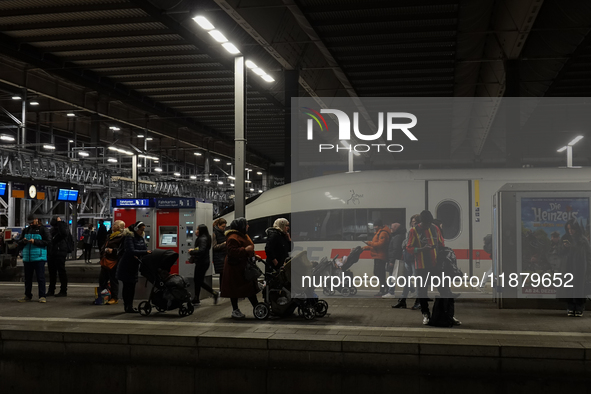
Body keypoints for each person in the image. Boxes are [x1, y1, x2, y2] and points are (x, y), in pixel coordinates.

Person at [406, 210, 445, 325]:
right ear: (421, 222)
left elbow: (441, 243)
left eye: (429, 224)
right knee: (422, 292)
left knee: (443, 289)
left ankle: (447, 314)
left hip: (435, 264)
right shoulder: (413, 231)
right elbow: (409, 248)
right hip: (421, 266)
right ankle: (425, 314)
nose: (428, 226)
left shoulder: (435, 228)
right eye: (426, 224)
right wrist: (421, 250)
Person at [220, 217, 260, 319]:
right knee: (236, 289)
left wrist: (253, 255)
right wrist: (245, 250)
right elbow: (232, 252)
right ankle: (236, 310)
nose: (248, 226)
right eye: (246, 224)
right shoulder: (233, 237)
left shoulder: (242, 235)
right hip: (235, 268)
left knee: (249, 287)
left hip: (242, 266)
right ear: (241, 226)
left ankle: (257, 307)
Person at [116, 221, 151, 313]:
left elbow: (143, 249)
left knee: (132, 287)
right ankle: (127, 306)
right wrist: (144, 252)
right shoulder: (129, 237)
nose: (142, 232)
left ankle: (130, 306)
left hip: (134, 265)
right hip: (126, 265)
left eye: (143, 230)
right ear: (136, 229)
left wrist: (145, 253)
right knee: (127, 286)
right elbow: (130, 251)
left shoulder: (140, 238)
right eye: (141, 230)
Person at [560, 219, 591, 317]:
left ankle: (579, 307)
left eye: (572, 228)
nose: (570, 231)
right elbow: (559, 253)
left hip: (580, 267)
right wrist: (564, 247)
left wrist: (588, 270)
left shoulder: (583, 240)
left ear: (576, 228)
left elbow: (589, 255)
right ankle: (570, 307)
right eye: (568, 229)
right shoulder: (565, 238)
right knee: (569, 287)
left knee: (579, 287)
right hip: (568, 267)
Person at [17, 214, 51, 303]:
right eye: (30, 223)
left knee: (40, 278)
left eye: (32, 222)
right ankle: (27, 295)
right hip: (27, 258)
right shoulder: (26, 230)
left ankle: (42, 296)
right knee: (28, 278)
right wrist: (23, 241)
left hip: (39, 257)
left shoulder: (43, 229)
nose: (31, 224)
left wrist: (35, 241)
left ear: (37, 219)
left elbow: (48, 242)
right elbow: (19, 242)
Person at [393, 214, 421, 309]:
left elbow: (407, 243)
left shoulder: (419, 232)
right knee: (407, 280)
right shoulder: (411, 231)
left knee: (417, 280)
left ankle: (419, 301)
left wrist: (405, 245)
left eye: (416, 222)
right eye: (413, 222)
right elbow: (406, 242)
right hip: (408, 258)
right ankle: (402, 300)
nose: (414, 223)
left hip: (414, 258)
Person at [189, 224, 219, 306]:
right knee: (198, 280)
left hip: (202, 262)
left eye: (197, 229)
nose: (196, 231)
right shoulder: (206, 237)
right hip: (203, 262)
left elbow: (201, 250)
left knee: (198, 280)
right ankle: (196, 298)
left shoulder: (202, 239)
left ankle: (214, 293)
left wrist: (192, 251)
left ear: (201, 230)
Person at [98, 220, 125, 305]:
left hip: (113, 261)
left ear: (118, 227)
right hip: (105, 260)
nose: (112, 226)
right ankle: (102, 297)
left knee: (113, 280)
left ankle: (114, 298)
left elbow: (122, 250)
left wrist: (112, 251)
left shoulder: (122, 237)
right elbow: (105, 245)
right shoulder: (110, 236)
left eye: (114, 225)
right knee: (102, 280)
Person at [363, 218, 391, 296]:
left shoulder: (383, 233)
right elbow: (375, 245)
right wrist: (364, 248)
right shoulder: (378, 233)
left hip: (381, 256)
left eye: (375, 226)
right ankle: (384, 288)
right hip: (377, 256)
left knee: (379, 273)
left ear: (379, 226)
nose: (374, 227)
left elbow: (379, 245)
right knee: (379, 273)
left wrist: (369, 243)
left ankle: (384, 289)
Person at [47, 216, 69, 297]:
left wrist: (59, 223)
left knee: (61, 272)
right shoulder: (53, 229)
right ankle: (51, 290)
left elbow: (63, 233)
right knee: (52, 272)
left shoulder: (63, 227)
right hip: (52, 252)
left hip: (60, 252)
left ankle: (63, 290)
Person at [212, 218, 227, 290]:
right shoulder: (214, 233)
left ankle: (223, 289)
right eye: (223, 227)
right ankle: (222, 289)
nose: (224, 228)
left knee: (224, 274)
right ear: (218, 225)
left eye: (225, 227)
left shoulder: (221, 233)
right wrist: (224, 244)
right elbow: (214, 247)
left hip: (223, 256)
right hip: (219, 257)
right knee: (223, 273)